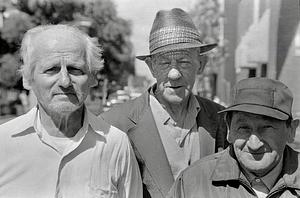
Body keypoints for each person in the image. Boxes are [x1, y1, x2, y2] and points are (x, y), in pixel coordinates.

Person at [0, 24, 142, 198]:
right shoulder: (3, 143)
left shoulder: (115, 145)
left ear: (92, 78)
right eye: (51, 69)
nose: (65, 81)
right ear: (28, 80)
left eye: (75, 69)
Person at [100, 8, 228, 198]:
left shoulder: (222, 120)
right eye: (164, 63)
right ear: (151, 67)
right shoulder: (113, 125)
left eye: (184, 62)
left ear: (200, 65)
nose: (174, 74)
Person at [168, 77, 300, 198]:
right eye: (244, 128)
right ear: (229, 129)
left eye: (266, 128)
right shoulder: (193, 182)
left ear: (291, 130)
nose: (254, 144)